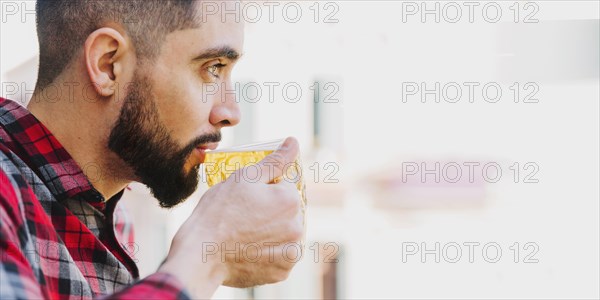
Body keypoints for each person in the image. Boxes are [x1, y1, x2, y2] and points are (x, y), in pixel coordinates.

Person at [0, 1, 303, 299]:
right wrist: (208, 255)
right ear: (108, 65)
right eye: (213, 68)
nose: (231, 112)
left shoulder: (115, 217)